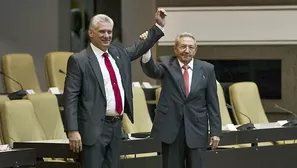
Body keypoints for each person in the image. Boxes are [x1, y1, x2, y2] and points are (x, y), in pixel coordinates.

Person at [63, 9, 167, 168]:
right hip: (93, 129)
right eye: (102, 32)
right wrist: (72, 130)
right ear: (91, 33)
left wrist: (157, 27)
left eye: (109, 32)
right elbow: (70, 97)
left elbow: (139, 47)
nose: (107, 35)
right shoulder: (79, 60)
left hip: (116, 127)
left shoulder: (118, 53)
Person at [139, 32, 222, 168]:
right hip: (172, 129)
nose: (187, 51)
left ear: (195, 50)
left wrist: (215, 132)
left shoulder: (207, 69)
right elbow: (152, 71)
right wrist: (146, 47)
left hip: (197, 128)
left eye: (190, 47)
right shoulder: (166, 64)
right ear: (175, 48)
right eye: (183, 46)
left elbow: (212, 102)